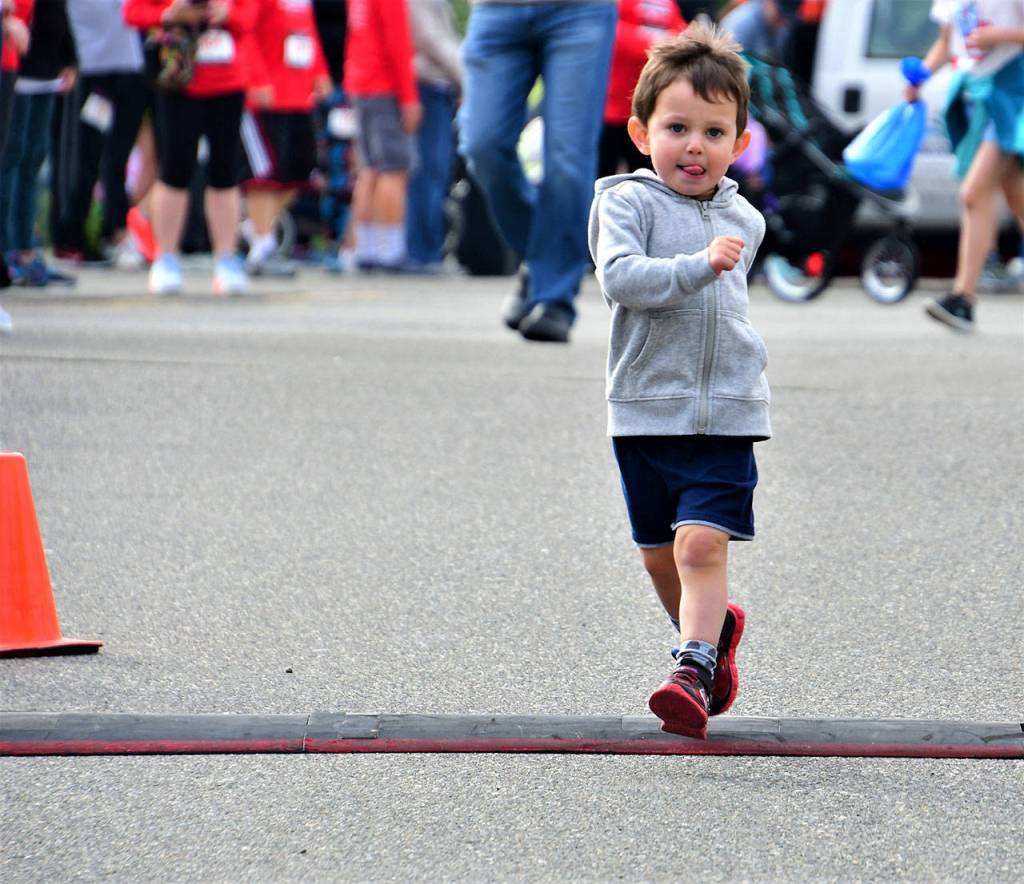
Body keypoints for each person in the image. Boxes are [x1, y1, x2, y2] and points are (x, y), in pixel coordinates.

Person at [588, 22, 768, 739]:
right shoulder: (623, 203)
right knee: (660, 555)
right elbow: (622, 280)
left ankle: (690, 666)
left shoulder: (745, 219)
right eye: (677, 127)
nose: (695, 145)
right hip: (643, 411)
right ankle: (716, 633)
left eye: (715, 132)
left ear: (739, 144)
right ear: (640, 132)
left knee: (700, 548)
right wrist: (698, 264)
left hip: (726, 411)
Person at [459, 0, 617, 343]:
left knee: (567, 160)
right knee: (482, 146)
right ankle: (543, 258)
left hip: (580, 11)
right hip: (496, 10)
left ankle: (554, 299)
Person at [123, 0, 257, 295]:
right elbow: (133, 12)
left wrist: (226, 13)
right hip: (179, 78)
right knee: (174, 169)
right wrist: (172, 13)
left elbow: (250, 16)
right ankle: (166, 257)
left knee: (225, 172)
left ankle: (226, 258)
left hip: (227, 80)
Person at [912, 0, 1024, 332]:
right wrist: (920, 76)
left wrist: (1000, 35)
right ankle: (964, 300)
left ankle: (963, 298)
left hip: (1013, 93)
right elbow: (948, 43)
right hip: (978, 95)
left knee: (974, 192)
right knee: (1016, 195)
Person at [54, 0, 149, 266]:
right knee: (88, 158)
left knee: (117, 158)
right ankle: (72, 235)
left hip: (131, 72)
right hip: (95, 75)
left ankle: (116, 232)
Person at [240, 0, 331, 275]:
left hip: (299, 95)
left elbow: (307, 31)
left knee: (301, 174)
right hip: (267, 97)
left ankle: (255, 225)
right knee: (265, 177)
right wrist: (255, 80)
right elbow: (245, 31)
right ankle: (263, 245)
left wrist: (320, 72)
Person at [0, 0, 77, 288]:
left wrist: (69, 58)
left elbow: (58, 9)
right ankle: (7, 249)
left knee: (33, 159)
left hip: (45, 70)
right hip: (16, 67)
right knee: (10, 158)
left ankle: (26, 249)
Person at [343, 0, 420, 272]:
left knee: (370, 170)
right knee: (393, 170)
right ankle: (391, 252)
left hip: (362, 83)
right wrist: (409, 97)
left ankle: (367, 249)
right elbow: (397, 42)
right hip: (384, 86)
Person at [404, 0, 462, 273]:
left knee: (433, 172)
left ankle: (427, 251)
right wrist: (466, 75)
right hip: (426, 84)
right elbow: (430, 39)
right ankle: (422, 253)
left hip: (436, 85)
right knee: (427, 171)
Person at [598, 0, 685, 179]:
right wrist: (656, 42)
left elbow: (682, 33)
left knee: (646, 176)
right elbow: (609, 28)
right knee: (603, 174)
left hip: (650, 110)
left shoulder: (667, 3)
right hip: (611, 108)